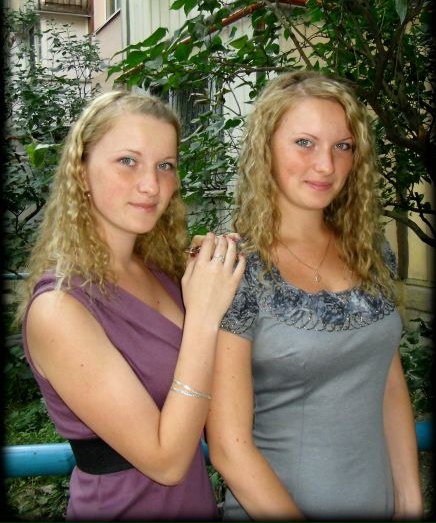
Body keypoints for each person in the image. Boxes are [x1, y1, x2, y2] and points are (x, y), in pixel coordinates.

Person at [17, 90, 245, 521]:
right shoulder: (58, 308)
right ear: (82, 173)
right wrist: (204, 314)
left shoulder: (162, 272)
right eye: (128, 161)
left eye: (165, 165)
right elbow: (167, 462)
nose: (151, 185)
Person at [206, 70, 423, 519]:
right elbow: (229, 447)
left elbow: (388, 381)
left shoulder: (371, 250)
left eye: (342, 146)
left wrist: (409, 499)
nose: (326, 164)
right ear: (265, 148)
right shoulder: (234, 269)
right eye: (304, 143)